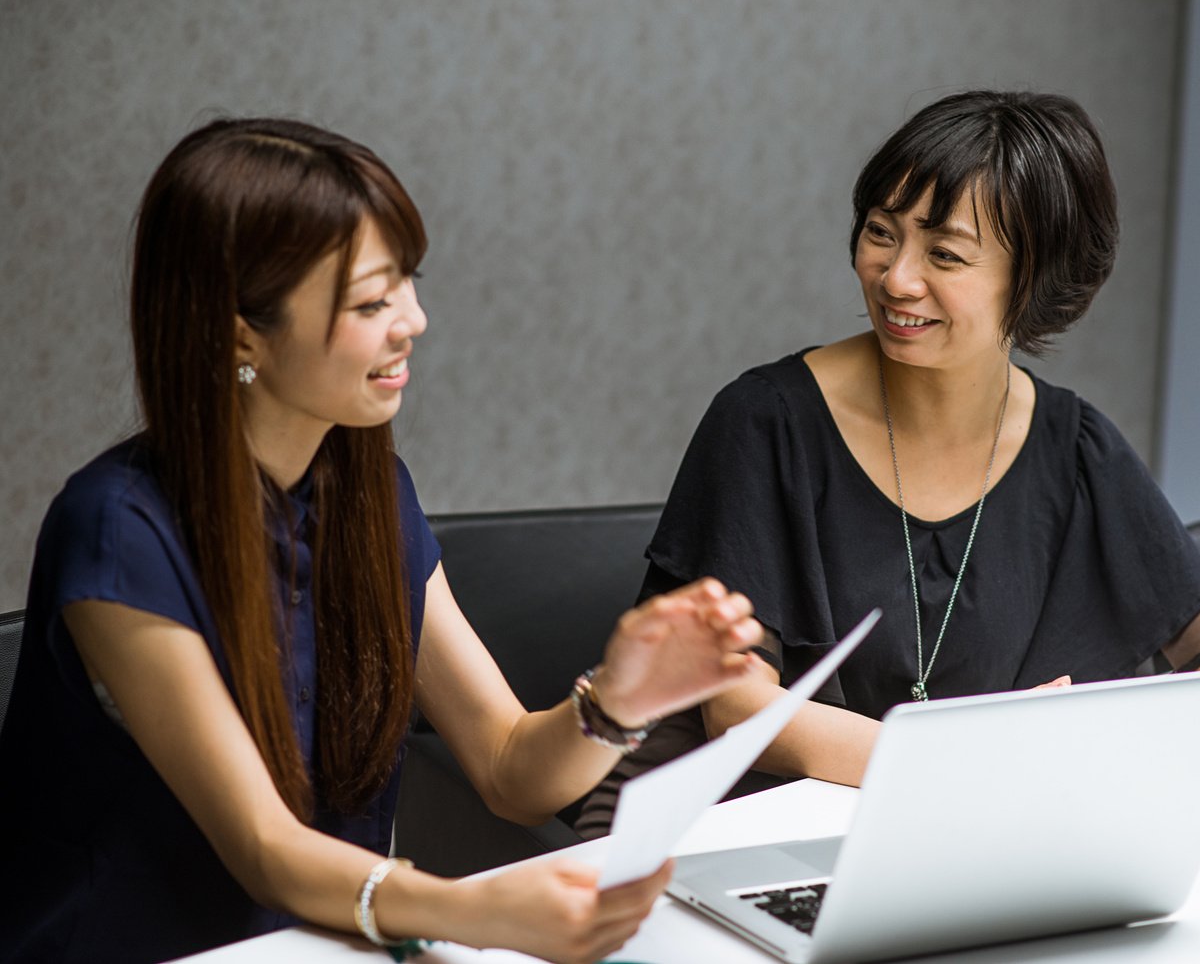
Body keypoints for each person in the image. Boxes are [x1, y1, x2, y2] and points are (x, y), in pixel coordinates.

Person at [0, 117, 764, 964]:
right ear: (242, 332)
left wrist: (620, 699)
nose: (415, 322)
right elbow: (264, 849)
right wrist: (469, 914)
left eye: (407, 284)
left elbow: (511, 769)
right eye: (371, 302)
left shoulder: (371, 495)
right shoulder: (117, 530)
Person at [578, 89, 1200, 837]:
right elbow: (739, 706)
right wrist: (974, 764)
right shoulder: (766, 422)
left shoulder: (1075, 449)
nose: (896, 277)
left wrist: (1074, 755)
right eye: (881, 233)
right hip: (715, 837)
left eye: (944, 254)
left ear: (1034, 281)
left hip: (935, 835)